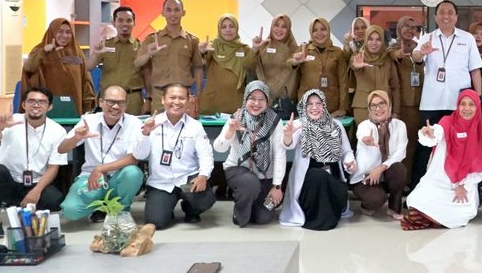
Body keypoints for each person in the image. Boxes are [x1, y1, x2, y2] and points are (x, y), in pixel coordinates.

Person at [410, 0, 482, 187]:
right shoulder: (428, 38)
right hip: (431, 103)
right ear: (435, 17)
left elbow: (475, 69)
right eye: (442, 12)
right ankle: (417, 188)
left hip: (459, 105)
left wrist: (478, 97)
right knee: (426, 145)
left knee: (459, 145)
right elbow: (416, 57)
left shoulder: (467, 38)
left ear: (456, 17)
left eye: (450, 12)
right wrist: (421, 53)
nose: (446, 16)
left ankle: (457, 186)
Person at [0, 87, 67, 238]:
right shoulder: (12, 121)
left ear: (49, 107)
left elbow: (53, 168)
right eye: (31, 101)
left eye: (42, 102)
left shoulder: (57, 131)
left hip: (36, 182)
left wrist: (37, 190)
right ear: (24, 105)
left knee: (54, 200)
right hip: (10, 181)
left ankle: (28, 211)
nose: (36, 105)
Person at [401, 90, 482, 230]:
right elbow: (435, 134)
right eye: (463, 104)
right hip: (440, 180)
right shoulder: (447, 121)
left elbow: (480, 167)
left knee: (462, 213)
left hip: (464, 185)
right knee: (415, 199)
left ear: (477, 107)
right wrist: (429, 133)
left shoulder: (481, 132)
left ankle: (426, 218)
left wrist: (463, 186)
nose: (466, 108)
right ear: (458, 105)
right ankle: (431, 218)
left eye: (471, 104)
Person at [133, 83, 216, 228]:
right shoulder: (151, 124)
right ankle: (166, 207)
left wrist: (203, 175)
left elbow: (206, 155)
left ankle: (190, 209)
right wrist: (145, 133)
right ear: (163, 100)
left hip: (187, 178)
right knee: (155, 222)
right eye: (172, 97)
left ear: (188, 100)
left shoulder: (195, 126)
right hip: (161, 182)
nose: (176, 102)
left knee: (203, 200)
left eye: (181, 98)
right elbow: (139, 155)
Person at [58, 86, 145, 222]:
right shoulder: (89, 121)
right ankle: (101, 206)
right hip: (91, 178)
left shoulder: (134, 123)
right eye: (110, 102)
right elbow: (62, 149)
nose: (115, 107)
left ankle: (121, 210)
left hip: (118, 177)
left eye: (121, 102)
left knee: (133, 173)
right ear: (101, 102)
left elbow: (133, 158)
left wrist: (100, 169)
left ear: (126, 104)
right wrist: (76, 137)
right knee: (70, 211)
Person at [280, 89, 355, 230]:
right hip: (309, 186)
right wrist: (288, 135)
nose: (314, 107)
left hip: (333, 180)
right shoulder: (299, 125)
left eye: (318, 103)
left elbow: (347, 151)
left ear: (324, 105)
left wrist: (350, 163)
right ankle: (318, 218)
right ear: (304, 106)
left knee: (328, 182)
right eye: (310, 104)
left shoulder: (336, 125)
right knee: (318, 175)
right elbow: (287, 145)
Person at [214, 81, 285, 227]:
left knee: (263, 217)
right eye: (252, 98)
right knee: (250, 183)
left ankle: (250, 201)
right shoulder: (236, 117)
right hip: (238, 170)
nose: (256, 103)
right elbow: (219, 148)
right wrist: (230, 131)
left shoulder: (274, 120)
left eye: (261, 99)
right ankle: (240, 213)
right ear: (245, 99)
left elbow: (279, 154)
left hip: (265, 176)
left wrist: (277, 186)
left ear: (267, 101)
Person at [134, 0, 204, 113]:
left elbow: (198, 67)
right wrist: (149, 53)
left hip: (183, 95)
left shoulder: (192, 40)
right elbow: (137, 63)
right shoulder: (153, 39)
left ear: (183, 12)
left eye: (176, 10)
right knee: (158, 124)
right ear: (163, 13)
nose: (172, 14)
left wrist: (198, 94)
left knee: (184, 124)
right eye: (169, 10)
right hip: (159, 96)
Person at [350, 90, 408, 219]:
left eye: (382, 104)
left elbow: (400, 153)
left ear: (389, 104)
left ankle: (394, 208)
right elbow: (362, 135)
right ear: (369, 108)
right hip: (366, 176)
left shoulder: (399, 125)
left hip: (385, 174)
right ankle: (366, 206)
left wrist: (381, 168)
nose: (378, 109)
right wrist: (366, 140)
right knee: (375, 200)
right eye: (373, 105)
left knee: (399, 169)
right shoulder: (365, 125)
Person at [22, 18, 96, 114]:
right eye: (60, 31)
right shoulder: (40, 50)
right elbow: (29, 68)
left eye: (68, 32)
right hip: (45, 110)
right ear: (52, 32)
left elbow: (86, 80)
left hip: (74, 109)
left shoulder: (77, 52)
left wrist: (87, 107)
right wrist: (44, 52)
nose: (64, 35)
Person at [88, 7, 148, 114]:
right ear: (113, 23)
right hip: (109, 100)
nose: (125, 24)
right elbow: (89, 67)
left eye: (129, 20)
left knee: (133, 125)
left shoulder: (141, 47)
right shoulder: (105, 45)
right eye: (120, 20)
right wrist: (96, 53)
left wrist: (149, 99)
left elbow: (148, 75)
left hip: (133, 99)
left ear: (134, 23)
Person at [291, 18, 349, 117]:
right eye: (315, 30)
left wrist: (343, 108)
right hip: (307, 105)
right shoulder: (303, 50)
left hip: (331, 108)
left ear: (328, 30)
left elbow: (343, 81)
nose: (319, 33)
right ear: (311, 32)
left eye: (323, 29)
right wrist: (295, 62)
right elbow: (291, 70)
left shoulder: (337, 52)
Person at [388, 15, 424, 175]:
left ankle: (412, 177)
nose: (410, 30)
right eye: (406, 26)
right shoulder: (392, 48)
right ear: (399, 28)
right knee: (401, 144)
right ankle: (401, 178)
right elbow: (392, 56)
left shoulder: (419, 48)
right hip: (401, 104)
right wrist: (398, 55)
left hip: (420, 103)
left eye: (413, 27)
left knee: (416, 143)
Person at [247, 14, 299, 119]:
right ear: (271, 27)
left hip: (285, 104)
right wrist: (255, 49)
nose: (279, 29)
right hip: (262, 102)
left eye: (284, 26)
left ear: (289, 29)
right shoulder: (263, 46)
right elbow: (248, 66)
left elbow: (292, 64)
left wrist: (295, 62)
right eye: (276, 25)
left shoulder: (296, 50)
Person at [198, 14, 251, 115]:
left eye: (231, 26)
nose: (228, 30)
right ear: (219, 29)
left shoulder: (244, 49)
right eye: (224, 27)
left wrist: (256, 49)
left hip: (235, 102)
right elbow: (202, 59)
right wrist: (201, 52)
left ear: (236, 28)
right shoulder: (212, 46)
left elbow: (252, 66)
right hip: (211, 102)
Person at [349, 25, 401, 125]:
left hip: (384, 108)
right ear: (365, 40)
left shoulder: (387, 60)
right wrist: (356, 66)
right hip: (363, 107)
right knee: (365, 134)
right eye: (370, 39)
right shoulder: (358, 56)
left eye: (378, 39)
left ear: (382, 41)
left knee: (383, 135)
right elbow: (353, 65)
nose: (374, 43)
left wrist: (396, 112)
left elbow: (395, 87)